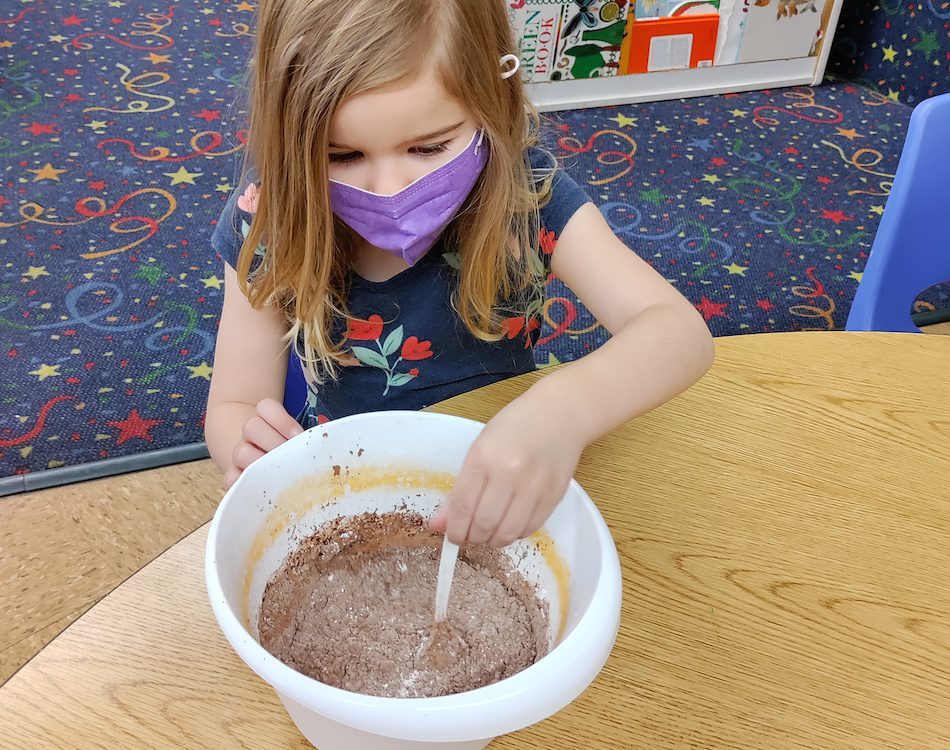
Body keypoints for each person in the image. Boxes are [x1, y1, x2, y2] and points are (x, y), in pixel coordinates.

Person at [205, 0, 714, 548]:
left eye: (428, 147)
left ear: (491, 104)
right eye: (343, 156)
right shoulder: (271, 221)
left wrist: (565, 410)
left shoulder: (527, 198)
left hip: (507, 471)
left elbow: (677, 332)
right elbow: (233, 405)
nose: (390, 188)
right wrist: (250, 449)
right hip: (348, 486)